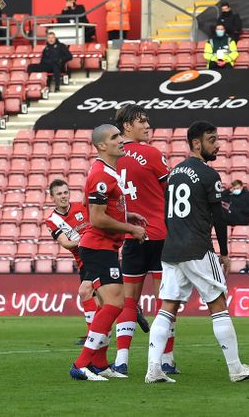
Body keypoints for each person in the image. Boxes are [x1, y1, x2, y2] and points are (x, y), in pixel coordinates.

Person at [145, 120, 249, 384]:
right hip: (198, 247)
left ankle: (153, 368)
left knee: (167, 308)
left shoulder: (174, 173)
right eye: (212, 139)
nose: (218, 144)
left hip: (172, 248)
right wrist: (223, 252)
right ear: (196, 143)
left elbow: (167, 214)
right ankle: (236, 369)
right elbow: (219, 217)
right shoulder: (210, 176)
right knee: (218, 305)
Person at [69, 124, 148, 381]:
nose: (121, 140)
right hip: (99, 247)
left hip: (103, 247)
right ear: (102, 145)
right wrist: (130, 229)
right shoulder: (102, 175)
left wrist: (127, 214)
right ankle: (81, 364)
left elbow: (87, 205)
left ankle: (100, 364)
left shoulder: (106, 172)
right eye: (115, 137)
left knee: (107, 304)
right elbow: (97, 219)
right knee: (115, 304)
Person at [112, 105, 172, 376]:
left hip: (129, 236)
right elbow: (169, 192)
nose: (147, 125)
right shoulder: (152, 153)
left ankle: (122, 360)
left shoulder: (110, 157)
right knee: (165, 300)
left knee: (128, 301)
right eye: (141, 121)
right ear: (126, 126)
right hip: (158, 234)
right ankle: (166, 360)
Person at [44, 179, 96, 344]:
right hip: (83, 260)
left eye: (66, 192)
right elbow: (66, 243)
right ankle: (128, 308)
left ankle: (92, 335)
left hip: (97, 253)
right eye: (59, 194)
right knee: (99, 299)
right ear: (52, 197)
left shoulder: (81, 206)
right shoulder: (52, 220)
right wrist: (85, 239)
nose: (64, 196)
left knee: (85, 292)